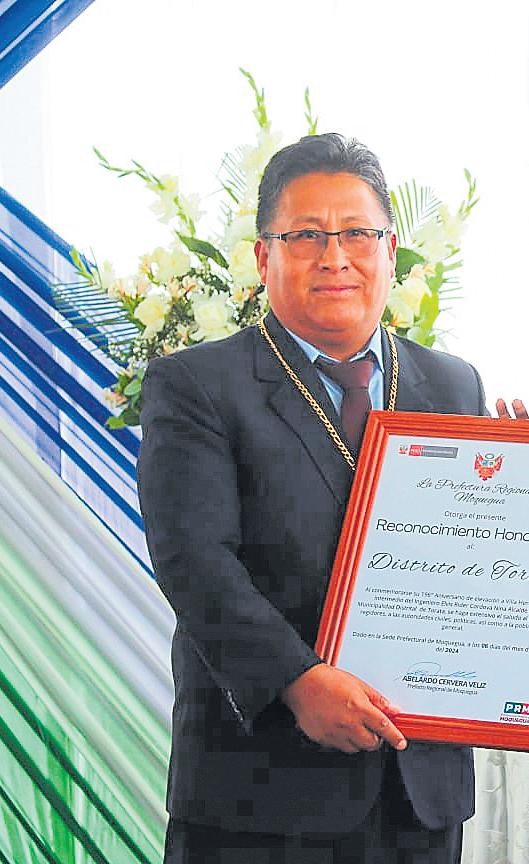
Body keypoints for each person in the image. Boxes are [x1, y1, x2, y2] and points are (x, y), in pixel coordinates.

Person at [137, 133, 484, 864]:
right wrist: (295, 680)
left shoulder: (453, 383)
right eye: (306, 236)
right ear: (263, 256)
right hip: (261, 789)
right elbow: (193, 560)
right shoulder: (197, 385)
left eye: (357, 233)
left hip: (419, 783)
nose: (335, 257)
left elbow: (475, 551)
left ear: (392, 251)